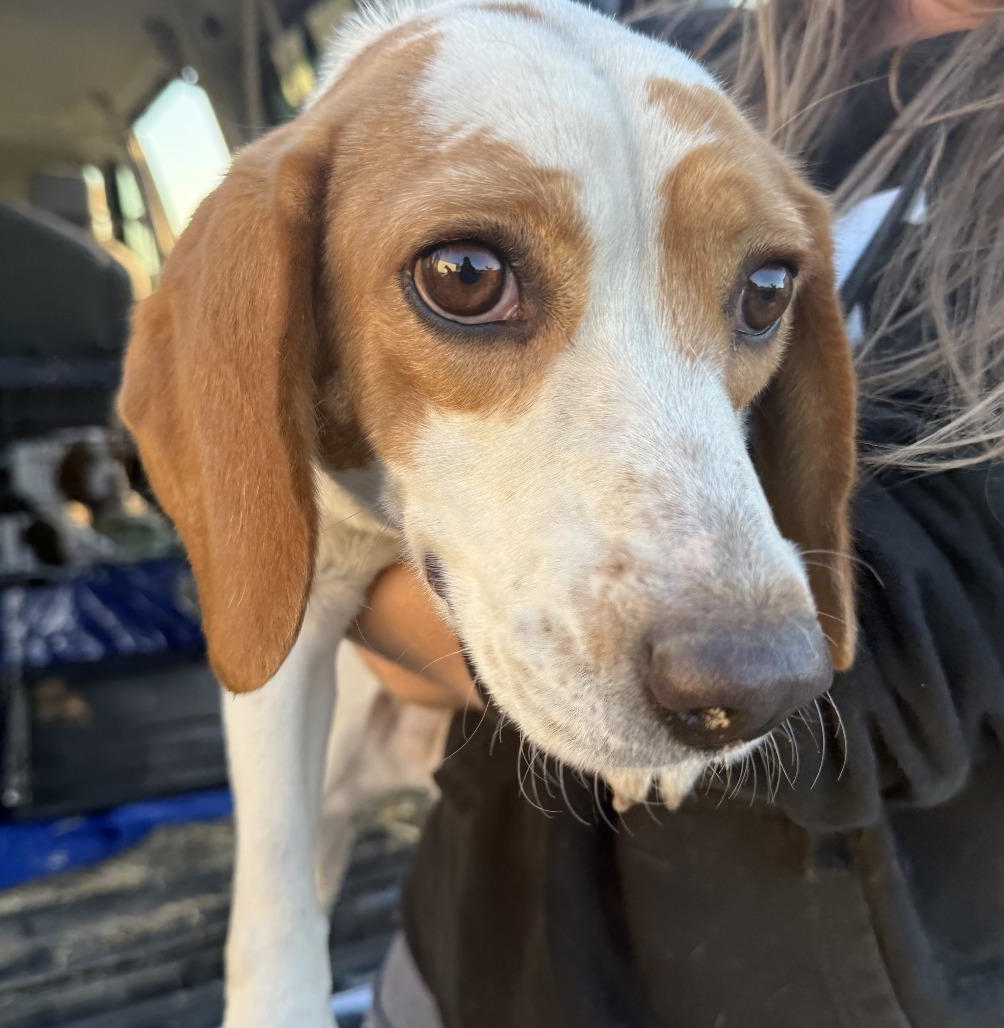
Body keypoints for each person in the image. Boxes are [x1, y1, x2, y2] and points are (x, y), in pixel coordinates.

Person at [351, 1, 1004, 1025]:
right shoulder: (665, 48)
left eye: (759, 297)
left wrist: (369, 603)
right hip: (470, 934)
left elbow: (903, 671)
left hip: (806, 978)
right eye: (469, 277)